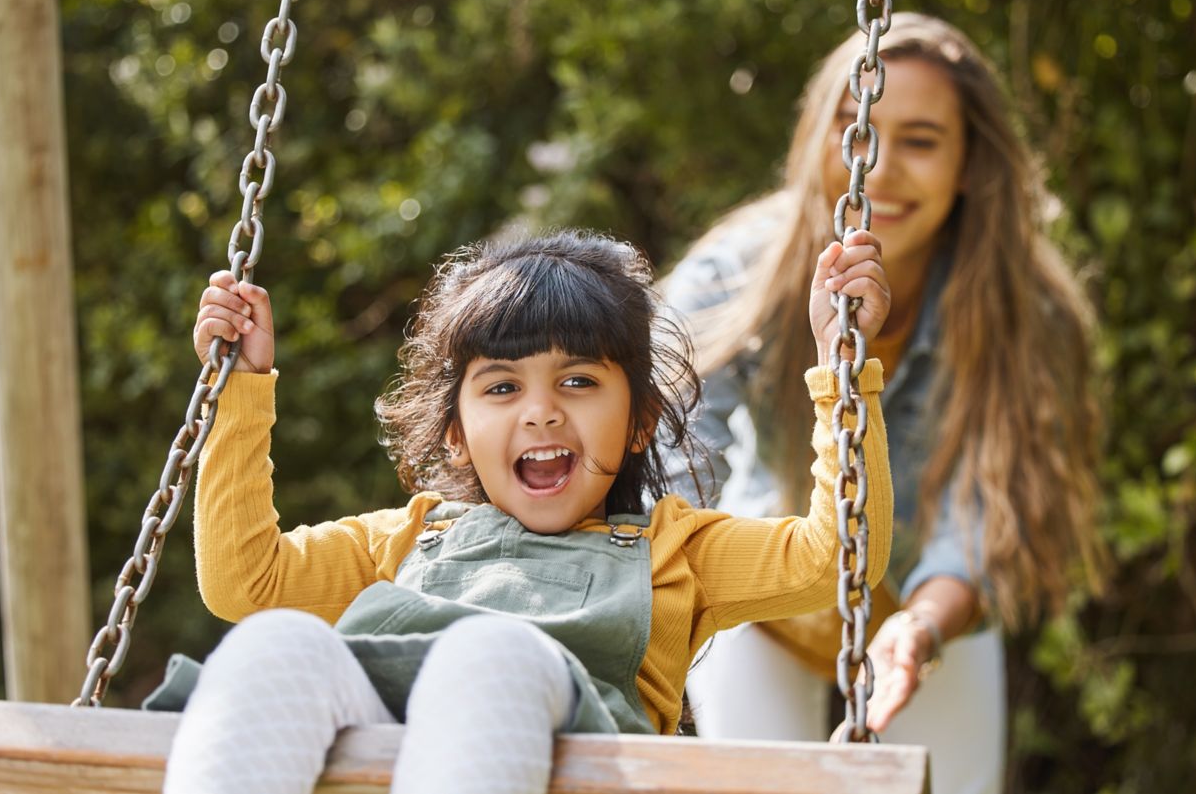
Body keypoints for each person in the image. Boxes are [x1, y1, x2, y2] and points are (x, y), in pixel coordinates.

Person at [153, 229, 895, 794]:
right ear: (455, 430)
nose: (540, 412)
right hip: (387, 745)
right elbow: (243, 583)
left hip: (566, 754)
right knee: (277, 643)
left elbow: (833, 559)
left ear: (638, 421)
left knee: (490, 651)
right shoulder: (408, 537)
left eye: (576, 381)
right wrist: (239, 392)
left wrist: (842, 372)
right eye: (502, 388)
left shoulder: (677, 549)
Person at [662, 14, 1104, 794]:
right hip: (764, 587)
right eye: (856, 129)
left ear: (970, 161)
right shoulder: (741, 270)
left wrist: (923, 626)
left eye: (923, 140)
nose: (882, 168)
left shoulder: (1022, 310)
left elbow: (987, 510)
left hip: (927, 603)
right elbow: (670, 449)